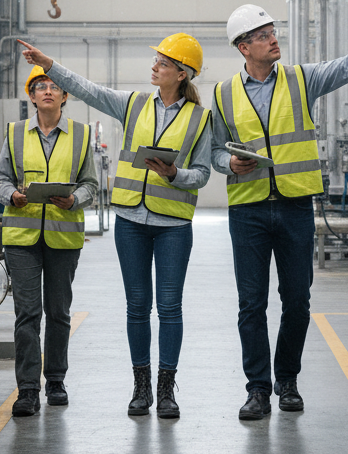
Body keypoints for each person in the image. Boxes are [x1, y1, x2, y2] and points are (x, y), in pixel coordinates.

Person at [212, 0, 348, 420]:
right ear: (244, 47)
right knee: (251, 304)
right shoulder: (223, 94)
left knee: (296, 300)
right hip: (248, 211)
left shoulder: (301, 79)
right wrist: (229, 164)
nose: (273, 39)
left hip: (295, 207)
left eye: (272, 32)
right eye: (263, 36)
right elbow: (214, 151)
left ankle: (288, 380)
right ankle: (258, 389)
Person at [17, 33, 211, 420]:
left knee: (169, 307)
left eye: (162, 63)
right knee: (137, 307)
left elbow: (203, 173)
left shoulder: (200, 118)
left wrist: (174, 174)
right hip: (131, 222)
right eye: (156, 60)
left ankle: (166, 390)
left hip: (173, 225)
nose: (154, 67)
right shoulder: (134, 104)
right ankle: (141, 387)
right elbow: (87, 90)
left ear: (181, 73)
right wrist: (49, 64)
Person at [0, 65, 98, 417]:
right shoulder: (15, 133)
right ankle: (27, 389)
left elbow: (91, 184)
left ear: (65, 96)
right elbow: (0, 179)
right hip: (21, 237)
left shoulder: (80, 135)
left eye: (54, 86)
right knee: (27, 313)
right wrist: (12, 196)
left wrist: (75, 199)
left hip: (63, 236)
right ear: (32, 96)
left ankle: (55, 380)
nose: (48, 91)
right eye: (40, 86)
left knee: (58, 312)